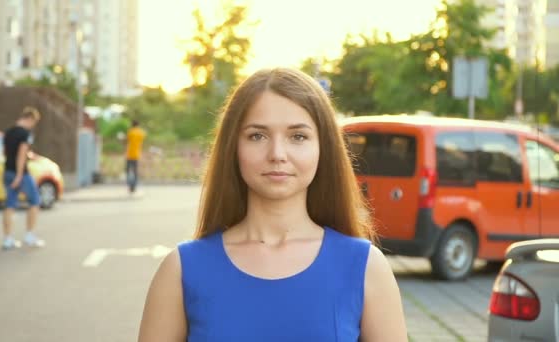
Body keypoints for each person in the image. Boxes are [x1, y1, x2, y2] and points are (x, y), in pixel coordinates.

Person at [138, 68, 407, 341]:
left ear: (323, 148)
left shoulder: (365, 267)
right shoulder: (182, 270)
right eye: (257, 136)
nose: (277, 154)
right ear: (234, 147)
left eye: (298, 136)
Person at [2, 107, 44, 249]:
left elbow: (7, 153)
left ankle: (8, 239)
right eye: (34, 122)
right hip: (20, 173)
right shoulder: (25, 134)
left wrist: (30, 156)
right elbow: (21, 154)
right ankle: (30, 235)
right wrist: (19, 175)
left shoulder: (8, 132)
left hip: (7, 170)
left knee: (10, 204)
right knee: (35, 200)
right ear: (30, 119)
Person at [125, 119, 146, 194]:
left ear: (132, 124)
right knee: (135, 171)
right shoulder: (141, 132)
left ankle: (130, 186)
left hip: (129, 154)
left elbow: (126, 141)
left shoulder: (130, 132)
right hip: (137, 154)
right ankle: (134, 186)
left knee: (128, 171)